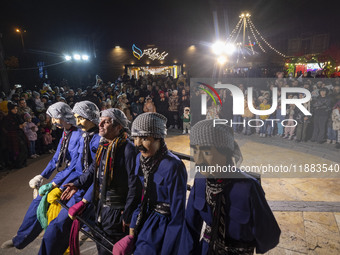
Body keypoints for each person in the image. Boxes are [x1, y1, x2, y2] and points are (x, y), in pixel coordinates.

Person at [179, 119, 280, 254]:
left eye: (207, 152)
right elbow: (190, 225)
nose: (199, 160)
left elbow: (269, 235)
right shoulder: (201, 180)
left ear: (225, 152)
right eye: (195, 151)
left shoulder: (248, 187)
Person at [1, 102, 82, 250]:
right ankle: (21, 238)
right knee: (38, 201)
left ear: (62, 116)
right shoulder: (65, 131)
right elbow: (56, 157)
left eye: (54, 118)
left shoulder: (80, 134)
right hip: (68, 174)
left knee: (45, 202)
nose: (52, 122)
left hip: (76, 176)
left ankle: (26, 238)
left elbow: (77, 166)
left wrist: (53, 183)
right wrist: (42, 175)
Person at [60, 108, 140, 255]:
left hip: (116, 209)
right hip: (100, 205)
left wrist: (128, 213)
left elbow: (134, 184)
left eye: (106, 122)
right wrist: (77, 184)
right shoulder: (104, 145)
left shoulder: (127, 149)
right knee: (100, 242)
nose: (100, 124)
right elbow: (93, 169)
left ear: (119, 127)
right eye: (100, 120)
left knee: (110, 246)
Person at [113, 112, 188, 255]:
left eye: (144, 138)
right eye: (135, 137)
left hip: (161, 227)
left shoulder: (173, 166)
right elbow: (139, 194)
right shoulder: (140, 159)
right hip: (144, 219)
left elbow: (178, 214)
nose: (137, 144)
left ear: (158, 138)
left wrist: (169, 248)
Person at [38, 101, 101, 255]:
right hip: (80, 184)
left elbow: (100, 174)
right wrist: (52, 181)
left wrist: (85, 198)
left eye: (80, 117)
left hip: (90, 189)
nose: (77, 121)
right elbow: (74, 165)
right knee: (55, 221)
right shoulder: (84, 134)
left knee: (59, 227)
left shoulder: (98, 139)